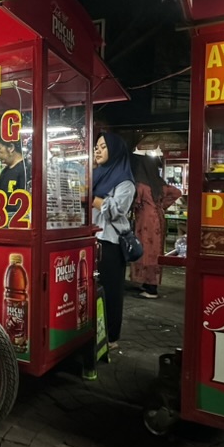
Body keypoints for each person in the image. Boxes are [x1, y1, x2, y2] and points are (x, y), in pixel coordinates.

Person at [91, 131, 135, 350]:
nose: (97, 151)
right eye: (96, 147)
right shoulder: (95, 175)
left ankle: (111, 337)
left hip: (110, 243)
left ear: (115, 151)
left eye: (103, 147)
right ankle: (93, 332)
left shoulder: (125, 182)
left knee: (110, 291)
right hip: (91, 240)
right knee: (92, 290)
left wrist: (92, 198)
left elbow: (116, 211)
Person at [129, 154, 183, 298]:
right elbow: (177, 192)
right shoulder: (158, 183)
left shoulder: (140, 185)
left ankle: (150, 288)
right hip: (159, 218)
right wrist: (162, 206)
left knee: (145, 251)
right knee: (155, 251)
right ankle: (149, 283)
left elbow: (133, 203)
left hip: (145, 220)